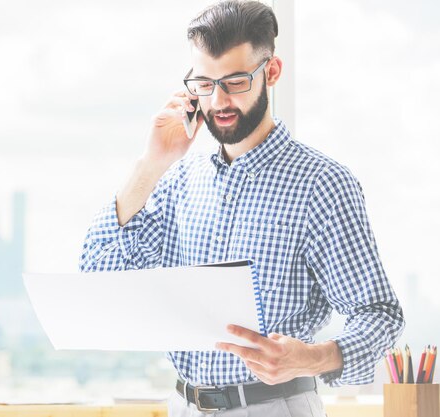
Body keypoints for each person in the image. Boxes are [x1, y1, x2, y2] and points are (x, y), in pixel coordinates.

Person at [79, 1, 405, 416]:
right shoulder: (178, 181)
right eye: (203, 83)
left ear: (271, 72)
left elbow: (379, 315)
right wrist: (151, 165)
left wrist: (311, 357)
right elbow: (98, 274)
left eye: (234, 81)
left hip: (273, 406)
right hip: (183, 405)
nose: (217, 101)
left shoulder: (321, 185)